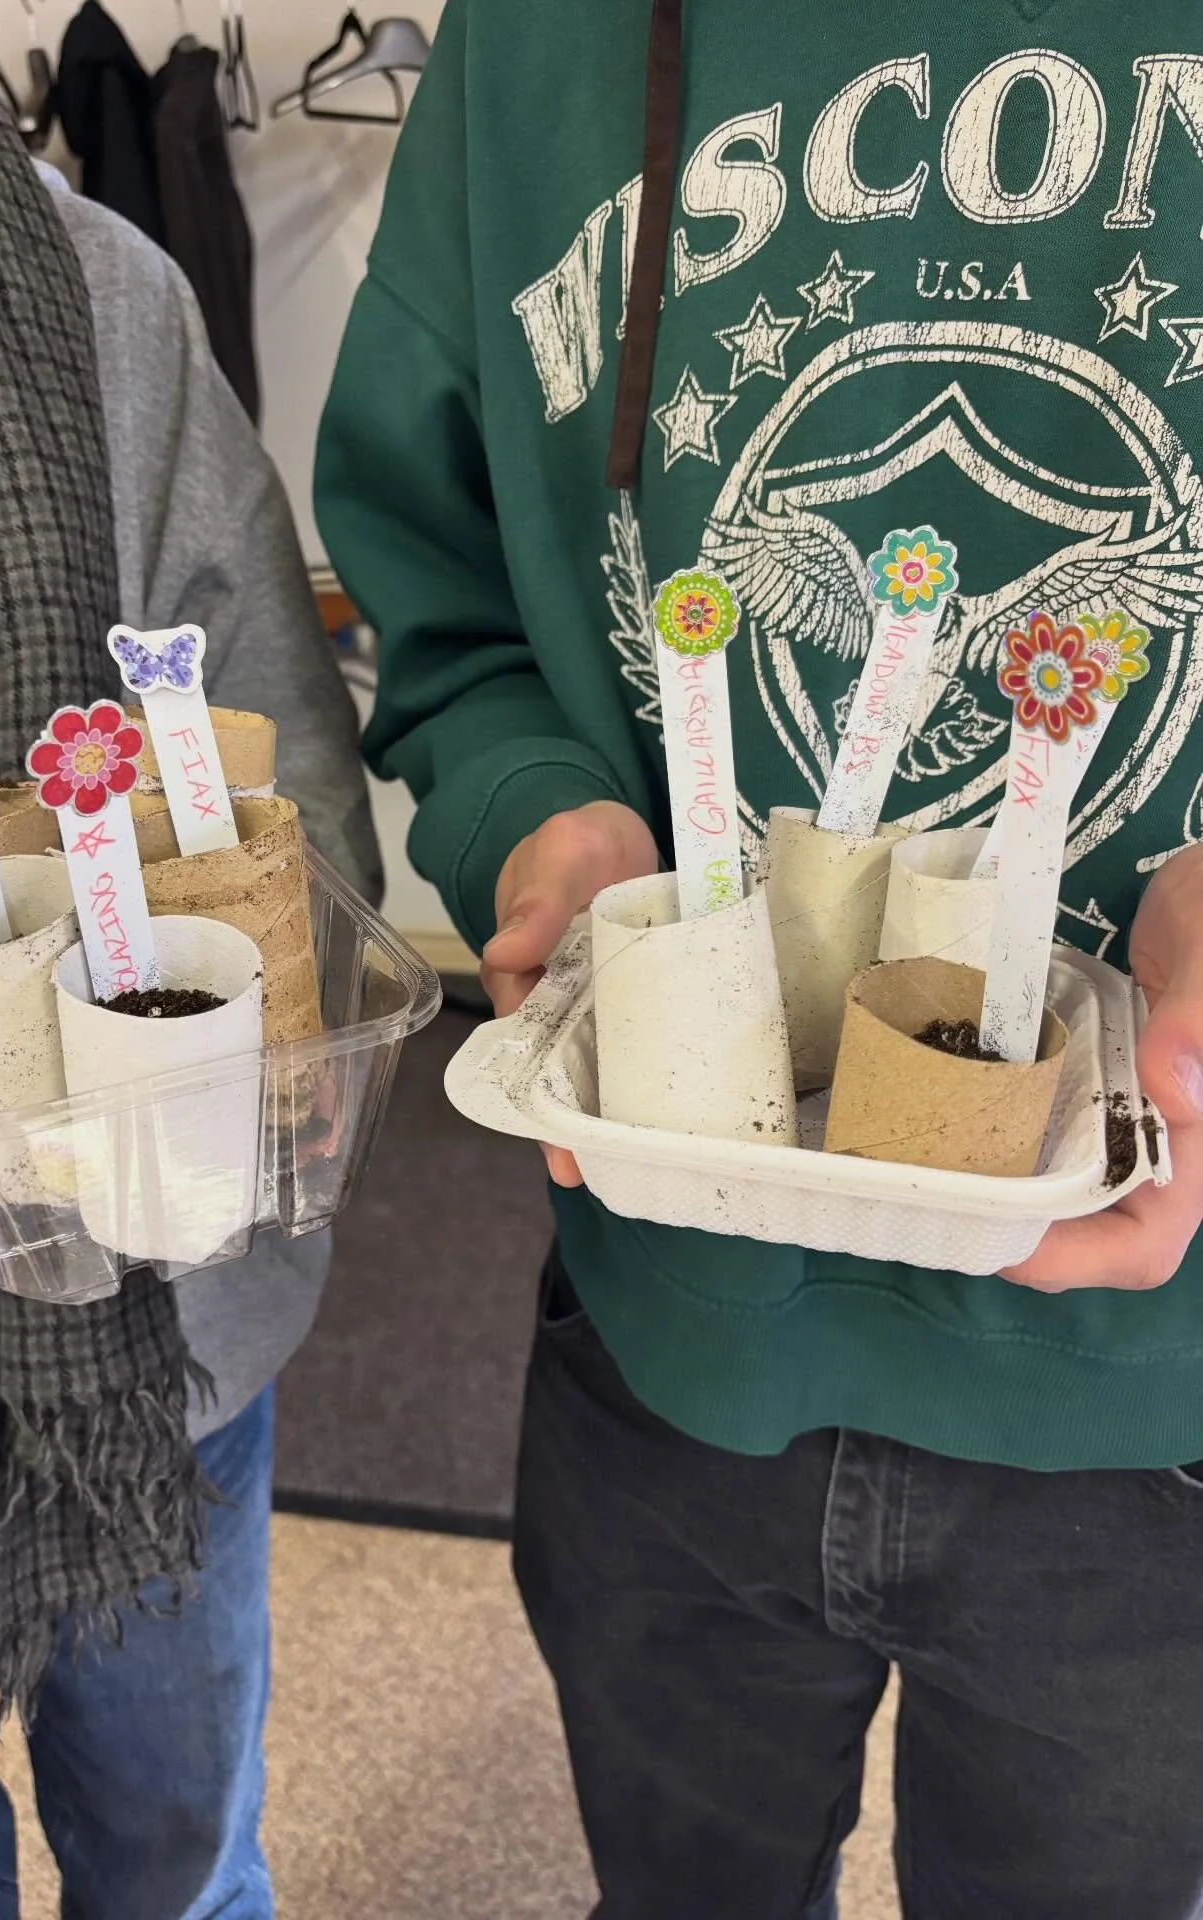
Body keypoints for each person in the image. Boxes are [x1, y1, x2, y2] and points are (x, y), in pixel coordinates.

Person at [317, 3, 1203, 1914]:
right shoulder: (532, 48)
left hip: (1160, 1405)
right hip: (669, 1335)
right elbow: (446, 594)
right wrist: (546, 825)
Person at [0, 6, 378, 1918]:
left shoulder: (88, 279)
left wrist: (255, 1043)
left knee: (185, 1860)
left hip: (159, 1305)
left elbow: (278, 782)